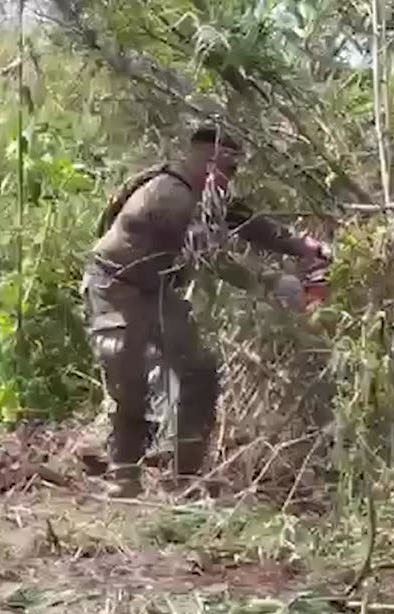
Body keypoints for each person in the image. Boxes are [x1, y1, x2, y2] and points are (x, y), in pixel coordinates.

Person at [82, 125, 330, 497]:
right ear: (208, 163)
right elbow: (213, 259)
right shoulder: (170, 196)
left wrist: (302, 246)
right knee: (128, 379)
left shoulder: (203, 192)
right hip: (115, 286)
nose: (232, 179)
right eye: (229, 170)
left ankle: (184, 478)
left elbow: (247, 222)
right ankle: (124, 477)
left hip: (156, 288)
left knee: (199, 372)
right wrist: (274, 283)